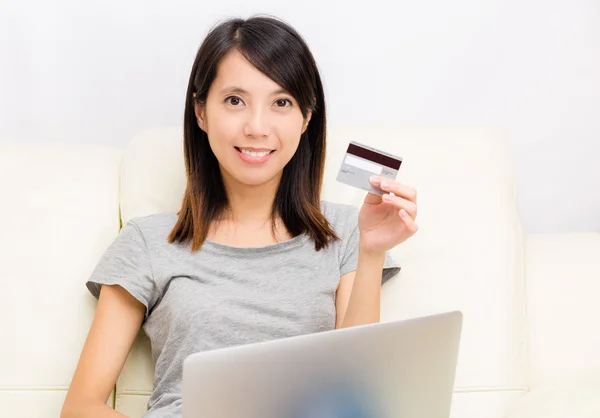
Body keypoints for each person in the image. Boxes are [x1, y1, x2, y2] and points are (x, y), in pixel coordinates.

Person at [61, 15, 418, 418]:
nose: (257, 127)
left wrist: (370, 254)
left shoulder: (349, 232)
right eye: (235, 100)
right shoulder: (147, 241)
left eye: (281, 103)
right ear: (201, 113)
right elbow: (80, 408)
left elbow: (356, 391)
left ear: (306, 118)